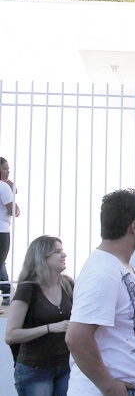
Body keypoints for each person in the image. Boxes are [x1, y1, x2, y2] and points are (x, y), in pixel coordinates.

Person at [66, 188, 135, 395]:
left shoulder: (120, 265)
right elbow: (77, 337)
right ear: (134, 226)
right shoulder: (103, 272)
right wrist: (108, 386)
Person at [5, 236, 74, 395]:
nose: (64, 255)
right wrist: (50, 328)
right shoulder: (28, 289)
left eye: (62, 250)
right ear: (42, 257)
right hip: (35, 370)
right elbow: (11, 335)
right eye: (57, 251)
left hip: (65, 366)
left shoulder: (68, 284)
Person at [0, 157, 20, 305]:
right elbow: (13, 210)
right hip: (1, 231)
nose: (8, 171)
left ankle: (7, 291)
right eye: (5, 168)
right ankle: (7, 292)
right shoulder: (3, 187)